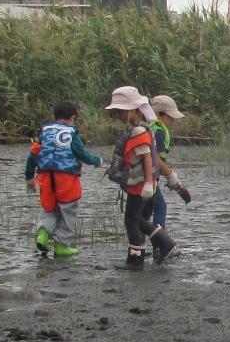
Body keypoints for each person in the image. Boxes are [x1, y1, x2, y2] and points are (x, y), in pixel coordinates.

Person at [25, 102, 102, 259]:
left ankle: (43, 235)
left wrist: (29, 177)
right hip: (67, 179)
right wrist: (98, 161)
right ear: (73, 117)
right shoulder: (71, 134)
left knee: (49, 208)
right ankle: (61, 246)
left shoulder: (44, 133)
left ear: (54, 117)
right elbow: (83, 155)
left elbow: (32, 156)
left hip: (46, 178)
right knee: (68, 211)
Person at [104, 86, 164, 270]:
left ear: (133, 110)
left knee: (131, 220)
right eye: (118, 112)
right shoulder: (140, 129)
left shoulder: (138, 131)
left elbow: (147, 158)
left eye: (122, 111)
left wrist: (148, 183)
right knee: (137, 219)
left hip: (140, 185)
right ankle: (155, 249)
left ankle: (137, 260)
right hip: (142, 184)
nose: (120, 115)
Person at [147, 95, 194, 259]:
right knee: (160, 208)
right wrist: (172, 177)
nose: (173, 121)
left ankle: (143, 247)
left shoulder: (149, 127)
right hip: (148, 178)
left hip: (143, 177)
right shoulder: (158, 132)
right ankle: (161, 246)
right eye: (170, 117)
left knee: (143, 214)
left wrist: (173, 182)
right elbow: (156, 160)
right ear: (160, 114)